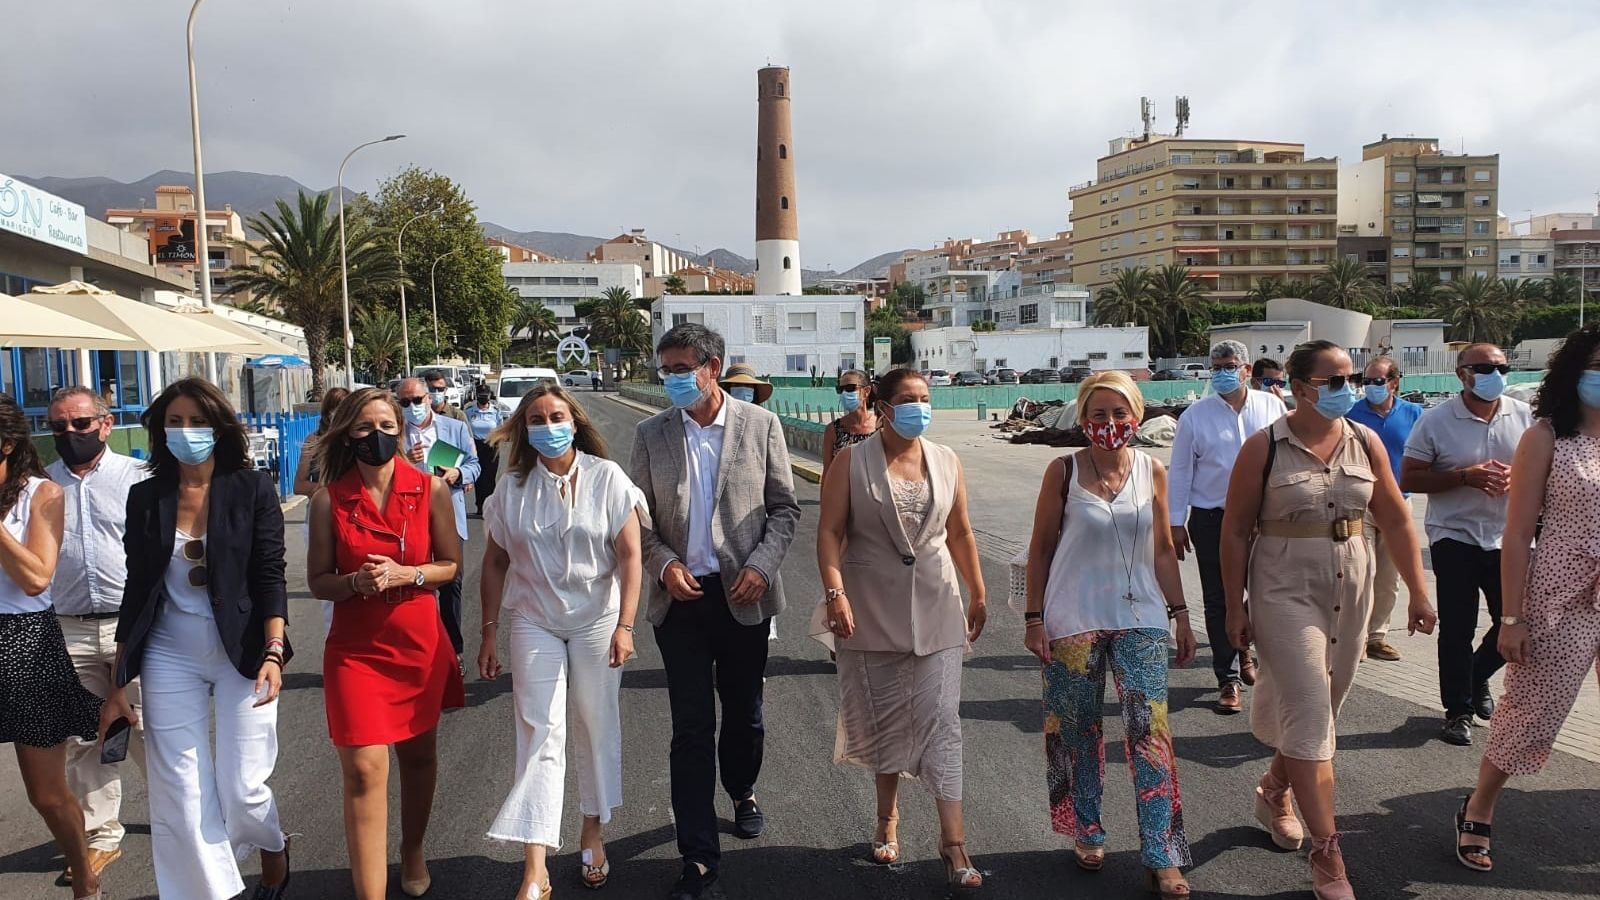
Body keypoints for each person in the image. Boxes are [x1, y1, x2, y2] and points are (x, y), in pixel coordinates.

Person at [1219, 341, 1435, 900]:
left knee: (1323, 708)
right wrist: (1232, 606)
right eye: (1333, 379)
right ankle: (1328, 854)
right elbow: (1236, 530)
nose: (1347, 388)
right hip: (1284, 588)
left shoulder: (1364, 442)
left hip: (1351, 586)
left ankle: (1273, 789)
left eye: (1351, 377)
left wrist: (1418, 590)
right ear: (1299, 386)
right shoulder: (1263, 447)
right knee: (1312, 712)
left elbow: (1396, 517)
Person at [99, 377, 291, 900]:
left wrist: (274, 651)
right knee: (180, 790)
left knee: (242, 787)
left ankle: (271, 843)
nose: (186, 432)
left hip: (244, 650)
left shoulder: (251, 488)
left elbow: (270, 574)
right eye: (175, 422)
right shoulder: (146, 496)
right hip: (168, 652)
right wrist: (122, 679)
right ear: (161, 431)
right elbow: (137, 589)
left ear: (219, 427)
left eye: (197, 421)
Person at [628, 324, 800, 900]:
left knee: (745, 713)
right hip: (681, 602)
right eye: (667, 369)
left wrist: (762, 565)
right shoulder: (651, 434)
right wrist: (662, 564)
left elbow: (784, 510)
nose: (674, 378)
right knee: (692, 727)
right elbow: (640, 520)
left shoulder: (761, 425)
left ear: (713, 366)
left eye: (683, 368)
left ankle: (743, 788)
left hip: (744, 598)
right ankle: (698, 857)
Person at [1022, 371, 1195, 898]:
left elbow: (1163, 549)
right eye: (1099, 414)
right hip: (1072, 617)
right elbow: (1041, 548)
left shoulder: (1152, 471)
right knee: (1077, 730)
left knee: (1151, 733)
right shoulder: (1063, 471)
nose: (1110, 423)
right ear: (1083, 419)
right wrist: (1034, 618)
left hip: (1141, 616)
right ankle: (1087, 828)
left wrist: (1181, 611)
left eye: (1120, 413)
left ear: (1137, 417)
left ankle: (1163, 853)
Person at [814, 367, 987, 891]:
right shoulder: (850, 461)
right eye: (908, 399)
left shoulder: (947, 460)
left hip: (937, 605)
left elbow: (959, 530)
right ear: (882, 404)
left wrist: (977, 591)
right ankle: (887, 818)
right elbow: (829, 531)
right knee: (885, 719)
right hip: (868, 609)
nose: (918, 407)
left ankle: (953, 842)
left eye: (925, 398)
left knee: (942, 721)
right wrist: (835, 593)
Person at [479, 385, 647, 899]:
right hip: (535, 619)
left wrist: (626, 625)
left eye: (556, 416)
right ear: (524, 429)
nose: (547, 425)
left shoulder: (607, 479)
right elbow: (495, 561)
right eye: (536, 418)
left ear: (574, 422)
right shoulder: (510, 488)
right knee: (538, 731)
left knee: (596, 724)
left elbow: (630, 556)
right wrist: (488, 632)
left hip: (598, 618)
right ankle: (535, 863)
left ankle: (592, 831)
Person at [305, 387, 465, 900]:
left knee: (418, 757)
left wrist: (407, 574)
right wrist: (354, 583)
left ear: (402, 429)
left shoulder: (430, 488)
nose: (378, 436)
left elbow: (450, 565)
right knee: (363, 770)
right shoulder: (329, 499)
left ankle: (413, 850)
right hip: (357, 649)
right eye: (365, 427)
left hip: (417, 641)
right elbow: (318, 580)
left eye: (388, 426)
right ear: (347, 433)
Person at [1453, 327, 1600, 873]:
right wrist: (1510, 619)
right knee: (1535, 709)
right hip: (1559, 593)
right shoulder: (1545, 436)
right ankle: (1480, 804)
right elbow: (1517, 535)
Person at [1400, 343, 1534, 746]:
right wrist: (1464, 477)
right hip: (1454, 535)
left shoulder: (1524, 416)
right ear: (1462, 374)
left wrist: (1519, 478)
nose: (1495, 374)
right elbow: (1410, 478)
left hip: (1508, 538)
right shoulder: (1436, 420)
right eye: (1484, 368)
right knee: (1457, 626)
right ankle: (1457, 710)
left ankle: (1477, 676)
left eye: (1501, 367)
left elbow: (1542, 474)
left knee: (1514, 618)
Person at [0, 393, 105, 900]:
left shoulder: (41, 494)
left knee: (45, 792)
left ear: (7, 443)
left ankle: (84, 872)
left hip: (23, 645)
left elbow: (37, 578)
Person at [45, 387, 150, 886]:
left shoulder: (140, 478)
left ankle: (183, 818)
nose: (70, 434)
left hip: (135, 626)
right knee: (87, 737)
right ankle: (99, 837)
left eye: (81, 424)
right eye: (59, 426)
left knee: (151, 729)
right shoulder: (40, 486)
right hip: (68, 628)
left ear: (106, 425)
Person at [1168, 339, 1286, 713]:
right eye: (1216, 366)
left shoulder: (1273, 408)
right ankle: (1228, 677)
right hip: (1212, 519)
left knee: (1265, 594)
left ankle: (1249, 652)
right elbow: (1181, 472)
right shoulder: (1195, 417)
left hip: (1265, 518)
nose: (1222, 373)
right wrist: (1175, 522)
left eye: (1230, 366)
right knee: (1219, 598)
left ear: (1247, 370)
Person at [1344, 357, 1423, 662]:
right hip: (1361, 502)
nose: (1371, 387)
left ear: (1394, 382)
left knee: (1389, 576)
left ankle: (1377, 635)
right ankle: (1356, 636)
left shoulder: (1414, 413)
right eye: (1366, 382)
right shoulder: (1352, 414)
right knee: (1360, 572)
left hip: (1399, 501)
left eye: (1378, 381)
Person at [398, 376, 481, 659]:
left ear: (429, 398)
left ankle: (452, 652)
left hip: (448, 515)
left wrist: (459, 474)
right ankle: (417, 653)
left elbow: (474, 464)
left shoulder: (455, 428)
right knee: (414, 586)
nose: (412, 406)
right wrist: (405, 461)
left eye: (416, 400)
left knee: (451, 584)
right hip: (407, 520)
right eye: (405, 402)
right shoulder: (394, 434)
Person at [291, 387, 351, 498]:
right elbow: (299, 486)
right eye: (336, 410)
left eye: (346, 411)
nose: (341, 416)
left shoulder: (356, 440)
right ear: (328, 413)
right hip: (323, 507)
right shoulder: (314, 441)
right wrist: (330, 489)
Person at [822, 369, 879, 475]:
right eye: (840, 389)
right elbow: (827, 472)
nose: (844, 393)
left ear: (866, 391)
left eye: (850, 388)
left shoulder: (881, 425)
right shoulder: (833, 430)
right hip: (842, 490)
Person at [465, 385, 509, 517]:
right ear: (476, 395)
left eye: (486, 395)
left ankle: (491, 507)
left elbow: (500, 428)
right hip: (475, 445)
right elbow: (466, 428)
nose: (483, 398)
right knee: (478, 477)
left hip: (491, 445)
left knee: (490, 477)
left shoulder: (496, 411)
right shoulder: (469, 411)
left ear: (490, 395)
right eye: (481, 395)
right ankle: (480, 506)